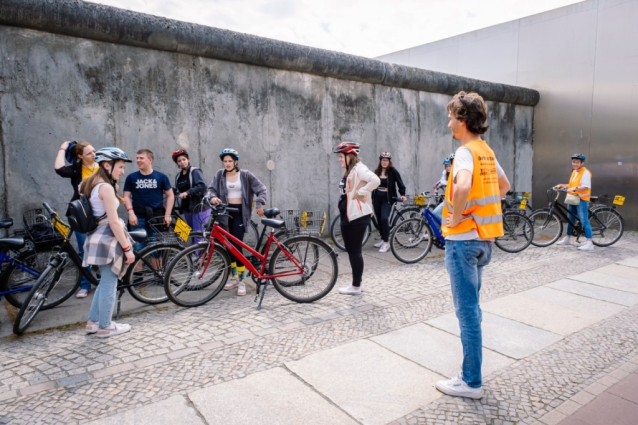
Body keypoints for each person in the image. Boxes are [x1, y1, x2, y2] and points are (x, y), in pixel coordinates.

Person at [436, 91, 510, 399]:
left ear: (463, 120)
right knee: (474, 310)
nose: (449, 121)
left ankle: (470, 381)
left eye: (452, 116)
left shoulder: (465, 152)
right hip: (483, 242)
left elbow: (463, 185)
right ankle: (471, 375)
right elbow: (504, 187)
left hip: (463, 243)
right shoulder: (486, 152)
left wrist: (454, 217)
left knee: (466, 313)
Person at [81, 147, 135, 338]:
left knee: (104, 281)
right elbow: (113, 222)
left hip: (96, 237)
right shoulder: (105, 187)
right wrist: (128, 249)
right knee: (109, 283)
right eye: (120, 167)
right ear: (107, 165)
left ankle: (93, 322)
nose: (122, 171)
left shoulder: (90, 184)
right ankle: (105, 326)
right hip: (107, 239)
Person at [207, 148, 267, 296]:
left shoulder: (245, 175)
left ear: (235, 161)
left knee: (236, 248)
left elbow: (262, 189)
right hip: (224, 214)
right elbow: (210, 190)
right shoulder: (219, 175)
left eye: (230, 161)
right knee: (228, 248)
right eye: (225, 161)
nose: (227, 164)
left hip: (239, 213)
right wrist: (212, 197)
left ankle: (242, 282)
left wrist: (259, 203)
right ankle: (235, 278)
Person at [334, 142, 380, 295]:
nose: (339, 160)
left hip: (357, 216)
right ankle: (357, 282)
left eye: (341, 157)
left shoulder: (359, 168)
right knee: (352, 250)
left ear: (349, 156)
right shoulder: (351, 170)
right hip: (350, 216)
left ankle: (355, 287)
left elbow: (376, 180)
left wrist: (363, 191)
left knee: (355, 251)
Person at [54, 140, 99, 298]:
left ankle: (101, 278)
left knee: (102, 247)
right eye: (89, 153)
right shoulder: (76, 169)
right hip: (81, 214)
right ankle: (85, 284)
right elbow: (59, 169)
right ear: (80, 156)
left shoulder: (102, 166)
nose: (93, 154)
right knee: (84, 250)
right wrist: (63, 148)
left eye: (94, 151)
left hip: (100, 213)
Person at [123, 149, 174, 252]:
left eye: (141, 158)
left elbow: (170, 196)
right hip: (137, 217)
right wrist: (131, 213)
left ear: (150, 160)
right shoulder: (131, 177)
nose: (138, 160)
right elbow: (126, 196)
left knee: (156, 249)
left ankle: (156, 269)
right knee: (138, 249)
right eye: (137, 158)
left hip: (156, 217)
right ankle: (138, 269)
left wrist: (167, 215)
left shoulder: (161, 177)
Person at [554, 153, 594, 251]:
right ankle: (568, 238)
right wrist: (562, 185)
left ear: (582, 163)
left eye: (577, 162)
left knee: (584, 220)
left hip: (582, 199)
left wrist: (573, 189)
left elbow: (586, 186)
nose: (575, 164)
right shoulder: (575, 172)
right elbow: (572, 184)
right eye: (574, 162)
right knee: (570, 219)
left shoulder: (585, 172)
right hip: (573, 198)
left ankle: (590, 243)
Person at [172, 148, 211, 246]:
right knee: (191, 232)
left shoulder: (195, 171)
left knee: (198, 234)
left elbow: (202, 186)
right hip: (187, 208)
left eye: (184, 159)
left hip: (200, 207)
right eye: (179, 161)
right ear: (177, 163)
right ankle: (197, 255)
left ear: (188, 159)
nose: (182, 162)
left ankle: (197, 257)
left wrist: (188, 192)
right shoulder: (178, 176)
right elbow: (178, 190)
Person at [371, 152, 407, 253]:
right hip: (376, 198)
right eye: (383, 160)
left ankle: (386, 243)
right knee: (379, 220)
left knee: (384, 218)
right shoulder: (377, 172)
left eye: (386, 160)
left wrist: (402, 194)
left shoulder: (393, 172)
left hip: (387, 199)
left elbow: (400, 183)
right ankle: (383, 238)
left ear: (389, 161)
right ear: (380, 161)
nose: (384, 162)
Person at [432, 154, 454, 233]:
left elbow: (447, 182)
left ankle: (448, 228)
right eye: (446, 166)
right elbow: (442, 181)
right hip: (448, 199)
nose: (448, 167)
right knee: (435, 213)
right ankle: (436, 233)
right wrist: (436, 187)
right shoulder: (445, 173)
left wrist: (440, 182)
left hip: (454, 201)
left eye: (449, 165)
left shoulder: (456, 173)